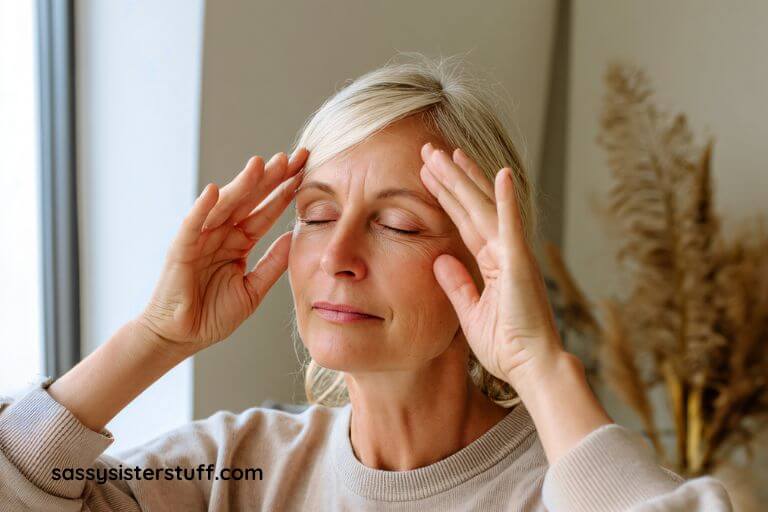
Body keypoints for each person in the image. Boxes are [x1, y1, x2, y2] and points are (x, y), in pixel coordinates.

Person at [0, 53, 732, 511]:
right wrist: (153, 339)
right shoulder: (236, 472)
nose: (338, 254)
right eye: (316, 216)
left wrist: (540, 366)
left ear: (486, 265)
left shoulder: (567, 488)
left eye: (399, 225)